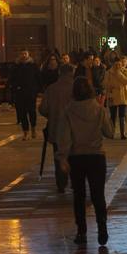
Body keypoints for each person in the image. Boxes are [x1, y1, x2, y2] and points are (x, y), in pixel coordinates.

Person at [56, 76, 114, 245]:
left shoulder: (68, 111)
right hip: (96, 156)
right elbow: (110, 132)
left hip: (77, 157)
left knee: (79, 195)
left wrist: (62, 157)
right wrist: (104, 110)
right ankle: (102, 228)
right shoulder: (99, 110)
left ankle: (81, 232)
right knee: (98, 194)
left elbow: (65, 138)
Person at [39, 63, 75, 192]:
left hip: (56, 127)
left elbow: (43, 109)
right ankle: (75, 180)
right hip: (74, 128)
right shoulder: (76, 87)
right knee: (74, 155)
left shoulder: (51, 89)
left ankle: (61, 183)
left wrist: (52, 114)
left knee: (58, 156)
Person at [12, 49, 42, 139]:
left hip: (31, 92)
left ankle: (33, 128)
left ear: (28, 55)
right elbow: (12, 78)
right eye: (22, 54)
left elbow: (38, 77)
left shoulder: (33, 66)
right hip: (20, 93)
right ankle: (25, 131)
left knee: (32, 111)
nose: (24, 55)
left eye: (25, 53)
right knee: (22, 113)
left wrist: (38, 89)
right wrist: (15, 88)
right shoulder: (17, 66)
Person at [105, 57, 127, 139]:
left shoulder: (125, 71)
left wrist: (119, 74)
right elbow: (105, 83)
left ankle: (122, 133)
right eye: (116, 64)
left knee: (122, 115)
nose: (118, 65)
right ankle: (112, 132)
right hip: (112, 95)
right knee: (113, 115)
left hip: (122, 95)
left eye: (119, 64)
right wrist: (112, 86)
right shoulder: (109, 72)